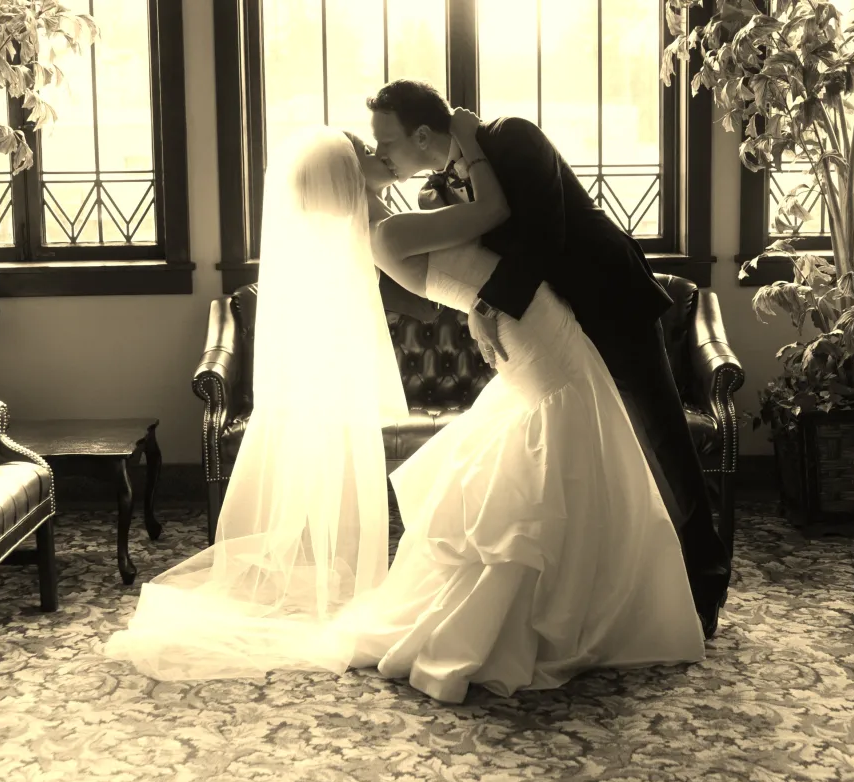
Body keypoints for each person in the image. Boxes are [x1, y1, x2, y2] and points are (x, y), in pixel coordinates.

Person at [102, 120, 703, 704]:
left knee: (567, 447)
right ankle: (558, 615)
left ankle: (578, 603)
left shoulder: (397, 225)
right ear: (348, 175)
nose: (380, 153)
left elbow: (484, 246)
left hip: (527, 323)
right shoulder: (389, 235)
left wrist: (475, 277)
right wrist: (467, 140)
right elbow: (494, 212)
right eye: (367, 149)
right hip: (531, 333)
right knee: (569, 442)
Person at [365, 79, 731, 638]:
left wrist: (486, 304)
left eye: (386, 140)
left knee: (662, 442)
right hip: (551, 324)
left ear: (420, 134)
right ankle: (609, 588)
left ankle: (705, 587)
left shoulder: (512, 137)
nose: (381, 152)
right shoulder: (445, 183)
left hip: (609, 302)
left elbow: (544, 236)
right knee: (595, 451)